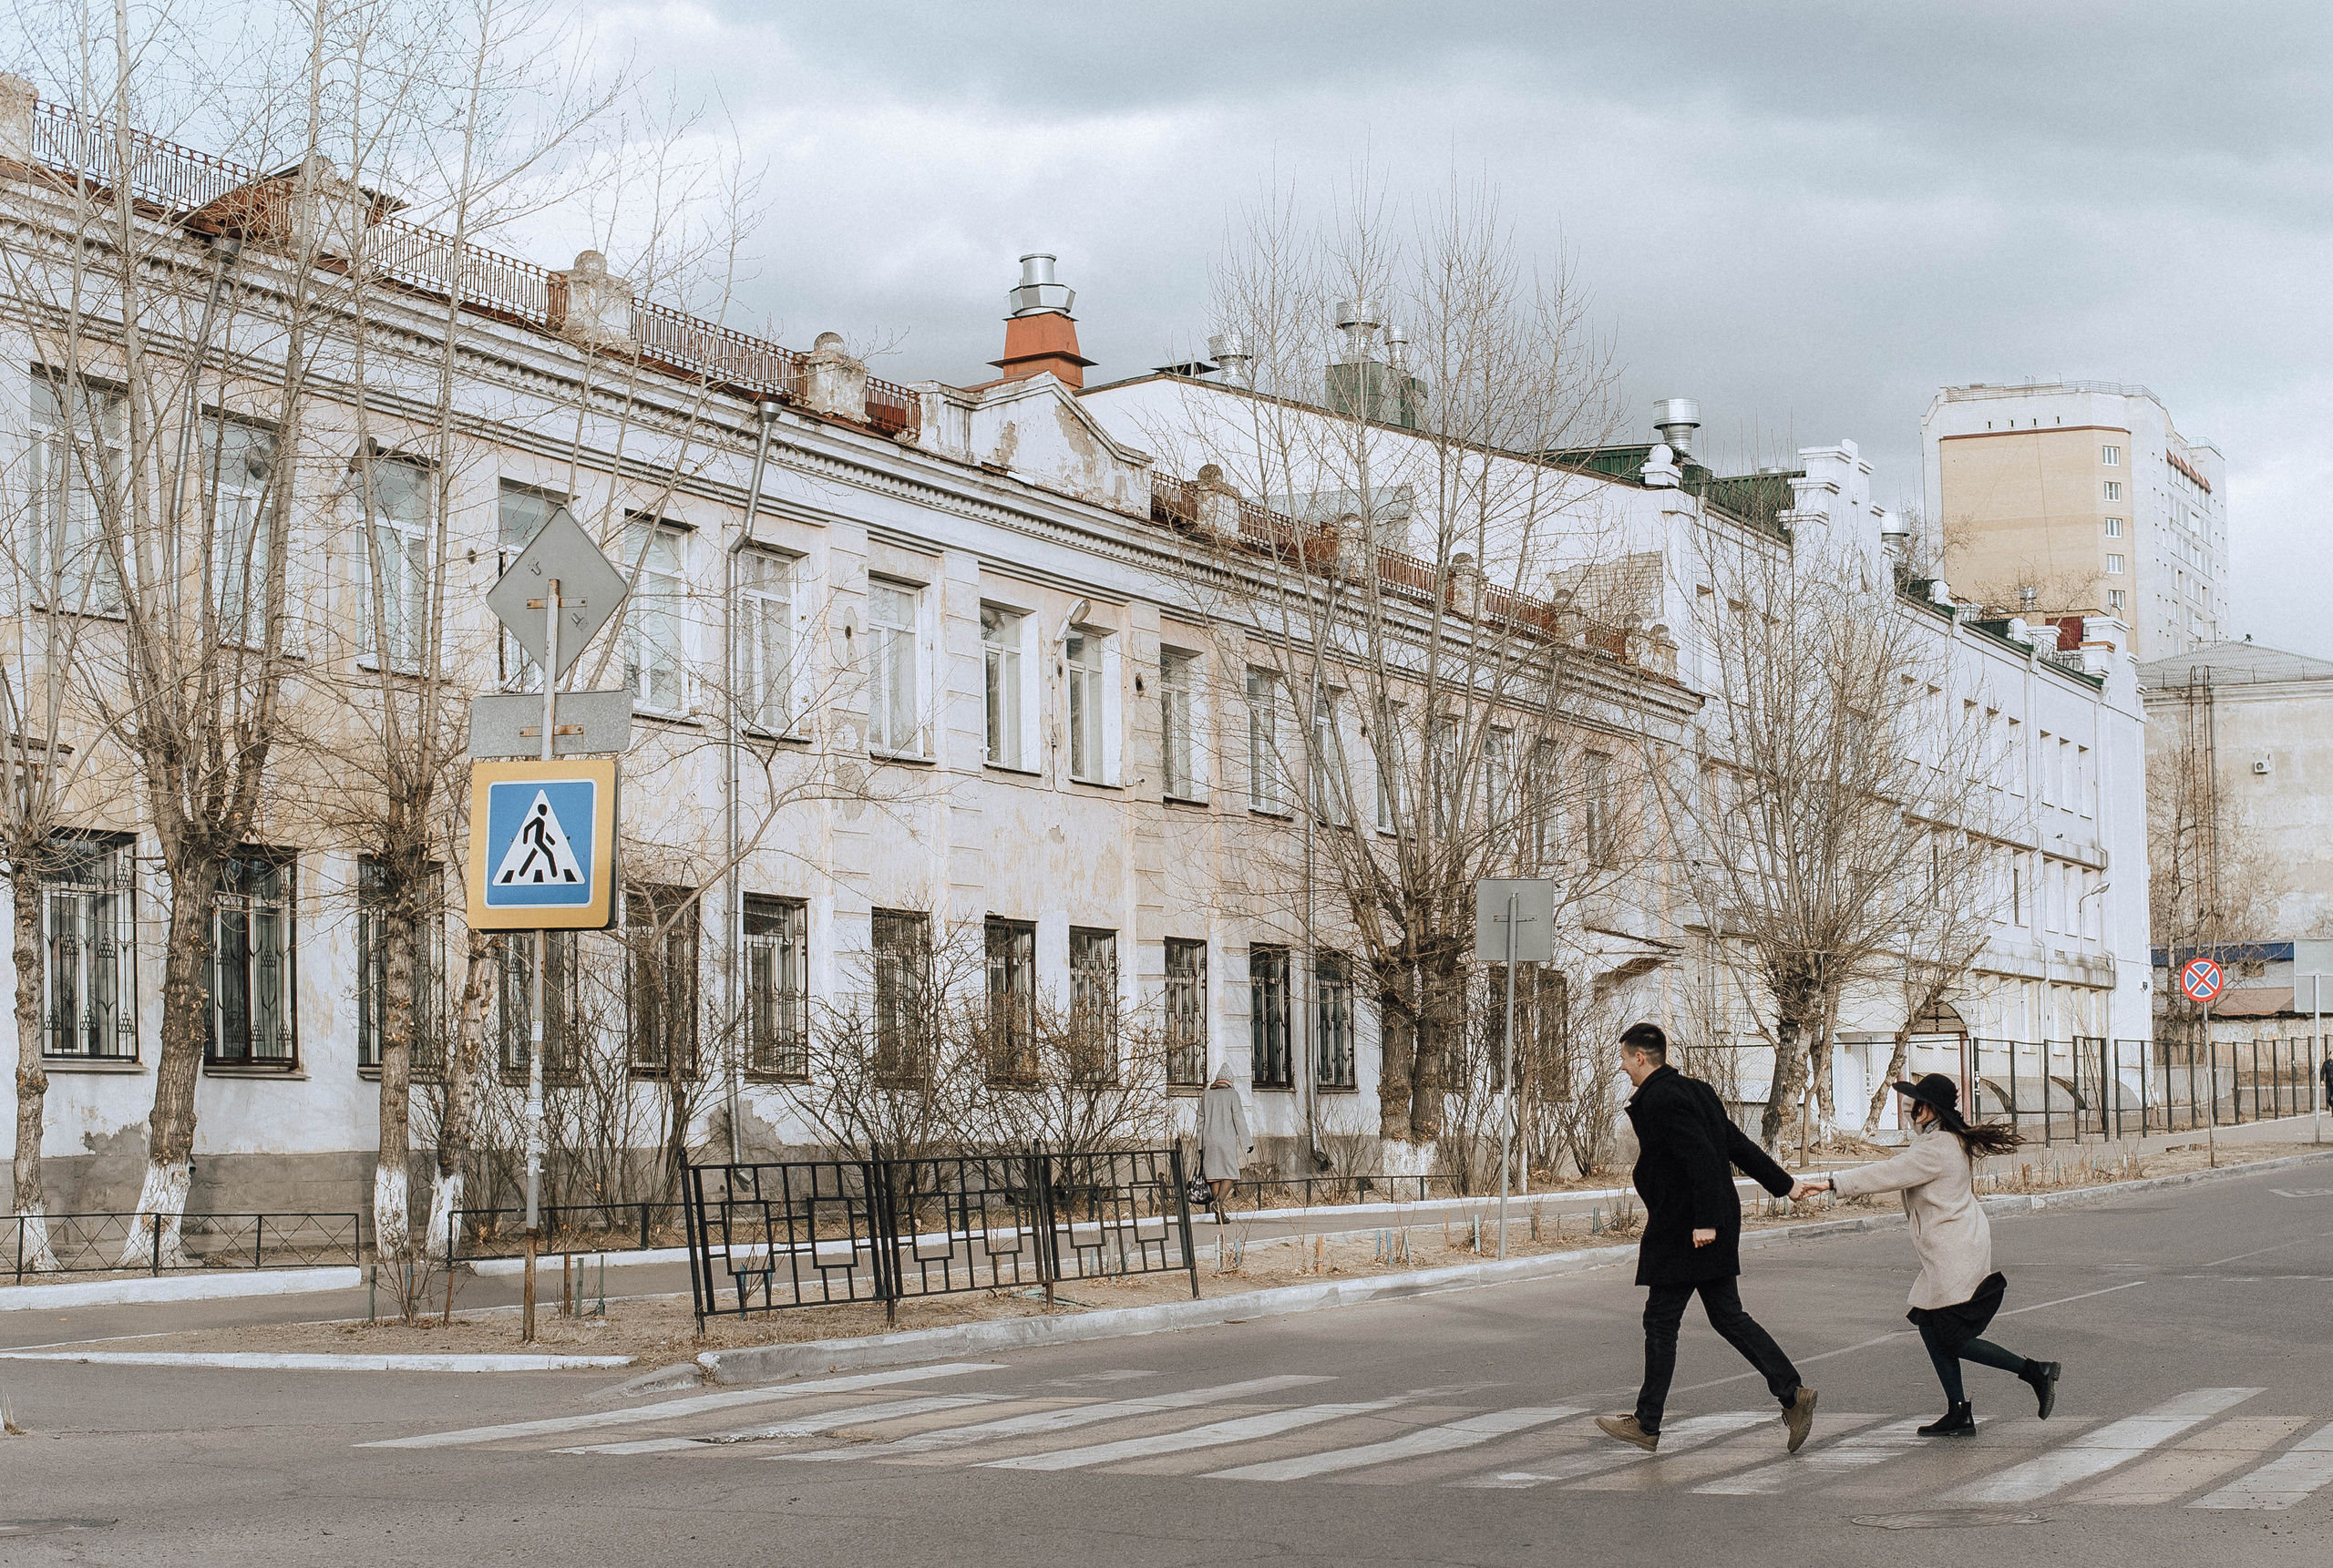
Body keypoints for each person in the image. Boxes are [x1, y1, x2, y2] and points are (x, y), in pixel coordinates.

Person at [1595, 1022, 1819, 1456]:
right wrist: (1786, 1185)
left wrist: (1705, 1222)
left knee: (1662, 1320)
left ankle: (1647, 1424)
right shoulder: (1696, 1090)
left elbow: (1700, 1157)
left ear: (1641, 1057)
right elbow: (1736, 1144)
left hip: (1688, 1226)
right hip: (1700, 1219)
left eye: (1624, 1058)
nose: (1623, 1067)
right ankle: (1792, 1395)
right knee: (1727, 1316)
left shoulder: (1661, 1098)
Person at [1794, 1072, 2061, 1436]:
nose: (1907, 1111)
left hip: (1956, 1248)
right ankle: (1959, 1412)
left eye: (1913, 1104)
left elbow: (1889, 1172)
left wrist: (1831, 1182)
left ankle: (2035, 1372)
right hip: (1950, 1245)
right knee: (1931, 1326)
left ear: (1929, 1108)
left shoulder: (1937, 1148)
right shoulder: (1940, 1140)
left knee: (1953, 1336)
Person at [1198, 1070, 1250, 1224]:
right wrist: (1247, 1142)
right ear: (1229, 1081)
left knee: (1214, 1175)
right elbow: (1239, 1118)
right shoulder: (1232, 1095)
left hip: (1209, 1140)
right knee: (1231, 1174)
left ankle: (1219, 1215)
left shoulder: (1206, 1095)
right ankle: (1219, 1202)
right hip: (1226, 1140)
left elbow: (1201, 1121)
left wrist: (1200, 1145)